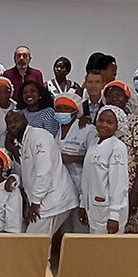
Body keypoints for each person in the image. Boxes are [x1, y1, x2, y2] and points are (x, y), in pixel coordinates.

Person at [4, 110, 77, 235]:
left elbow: (44, 170)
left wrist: (35, 202)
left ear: (26, 120)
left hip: (53, 200)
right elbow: (26, 175)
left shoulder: (39, 136)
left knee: (33, 244)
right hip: (44, 201)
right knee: (39, 246)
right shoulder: (21, 144)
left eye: (16, 120)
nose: (13, 125)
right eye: (9, 123)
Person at [103, 80, 138, 234]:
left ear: (127, 99)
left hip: (129, 187)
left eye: (119, 95)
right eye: (110, 95)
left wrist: (134, 192)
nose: (114, 98)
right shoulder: (101, 124)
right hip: (104, 187)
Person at [79, 105, 130, 234]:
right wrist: (83, 204)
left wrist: (114, 215)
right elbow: (87, 177)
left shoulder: (117, 147)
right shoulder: (94, 143)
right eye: (101, 120)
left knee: (110, 251)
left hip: (109, 212)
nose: (104, 125)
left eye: (110, 122)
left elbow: (119, 183)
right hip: (94, 208)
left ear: (118, 126)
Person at [54, 93, 91, 231]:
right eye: (59, 108)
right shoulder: (56, 131)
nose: (62, 112)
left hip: (80, 186)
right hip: (62, 188)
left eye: (66, 108)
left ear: (76, 111)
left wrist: (72, 158)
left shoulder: (87, 129)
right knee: (65, 230)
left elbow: (94, 157)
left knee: (79, 229)